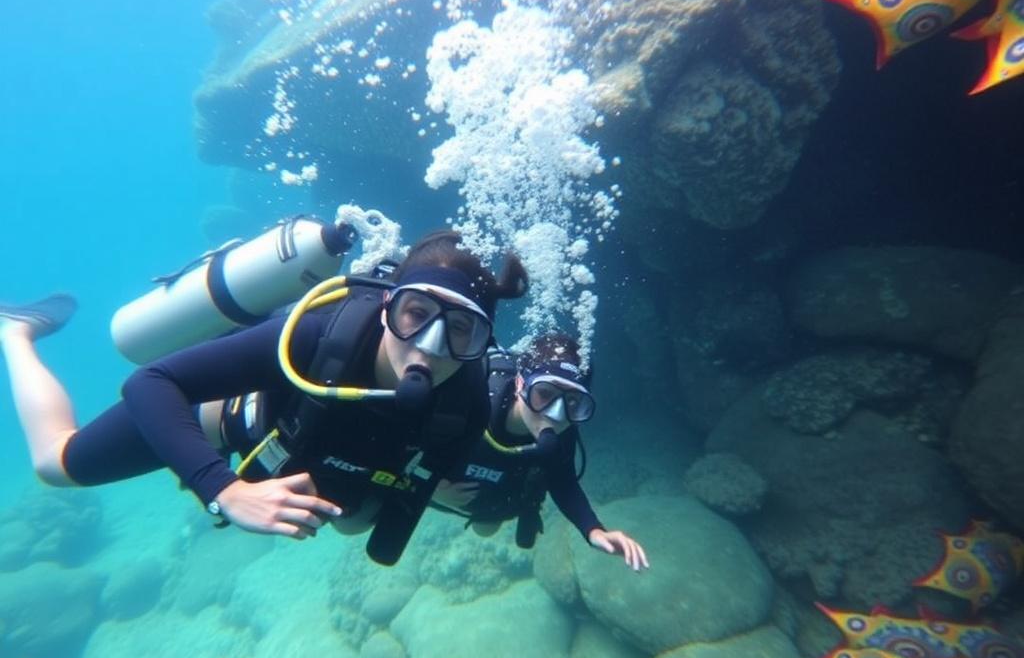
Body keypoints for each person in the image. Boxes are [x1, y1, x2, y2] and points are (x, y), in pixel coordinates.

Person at [0, 230, 528, 565]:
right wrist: (223, 488)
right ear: (389, 304)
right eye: (417, 314)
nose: (433, 348)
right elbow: (148, 383)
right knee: (55, 464)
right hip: (221, 417)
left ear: (484, 342)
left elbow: (399, 485)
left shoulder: (467, 408)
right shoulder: (319, 337)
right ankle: (15, 332)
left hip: (297, 449)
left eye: (462, 330)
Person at [431, 333, 649, 572]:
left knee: (486, 528)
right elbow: (406, 448)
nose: (555, 414)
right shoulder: (475, 401)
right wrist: (428, 488)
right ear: (519, 384)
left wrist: (594, 531)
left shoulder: (563, 430)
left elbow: (563, 483)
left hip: (490, 497)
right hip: (436, 483)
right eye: (545, 393)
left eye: (574, 402)